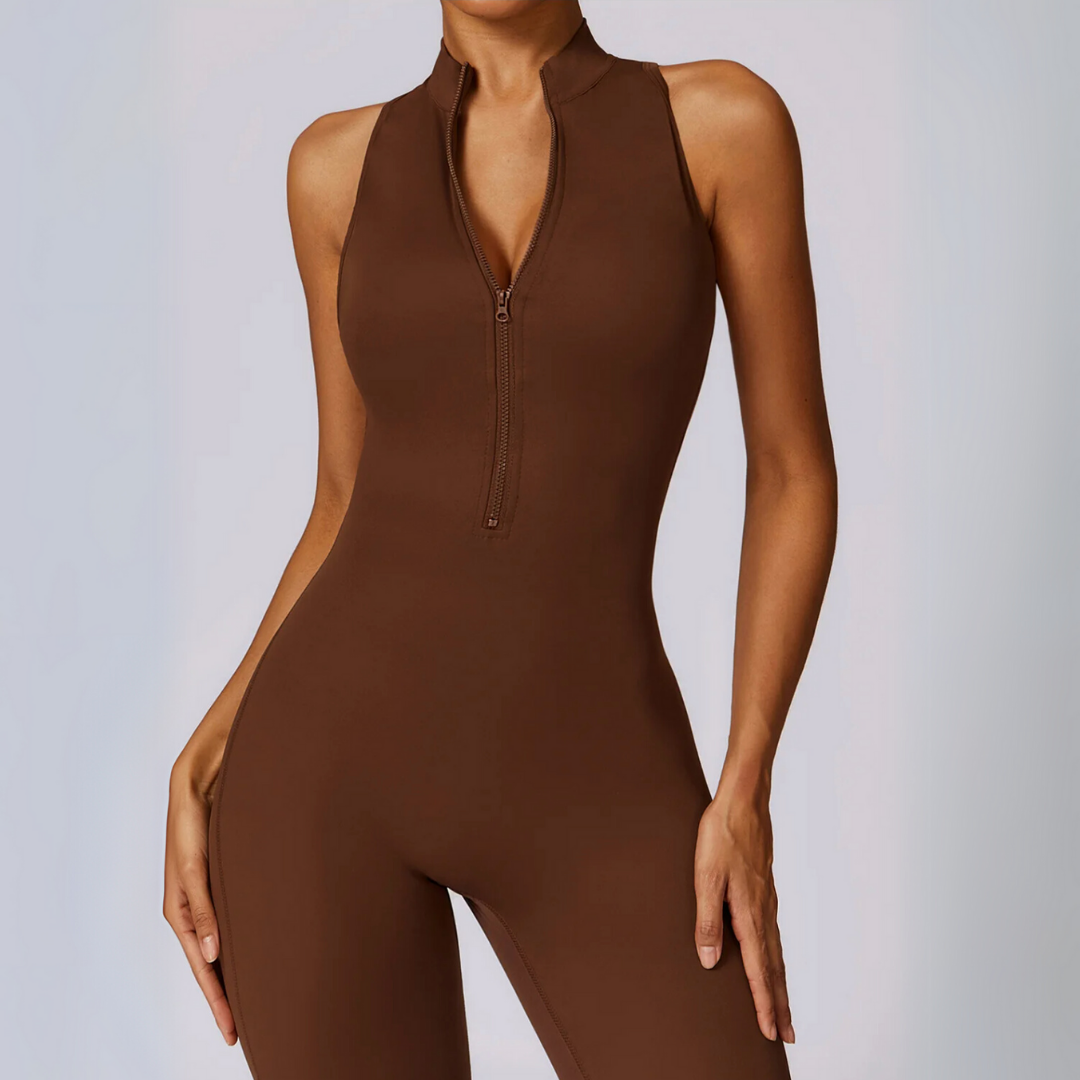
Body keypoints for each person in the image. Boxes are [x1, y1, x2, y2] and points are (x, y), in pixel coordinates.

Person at [163, 2, 837, 1077]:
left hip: (599, 773)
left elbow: (792, 471)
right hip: (324, 779)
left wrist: (745, 784)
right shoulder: (333, 169)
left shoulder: (718, 125)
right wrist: (210, 744)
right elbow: (342, 498)